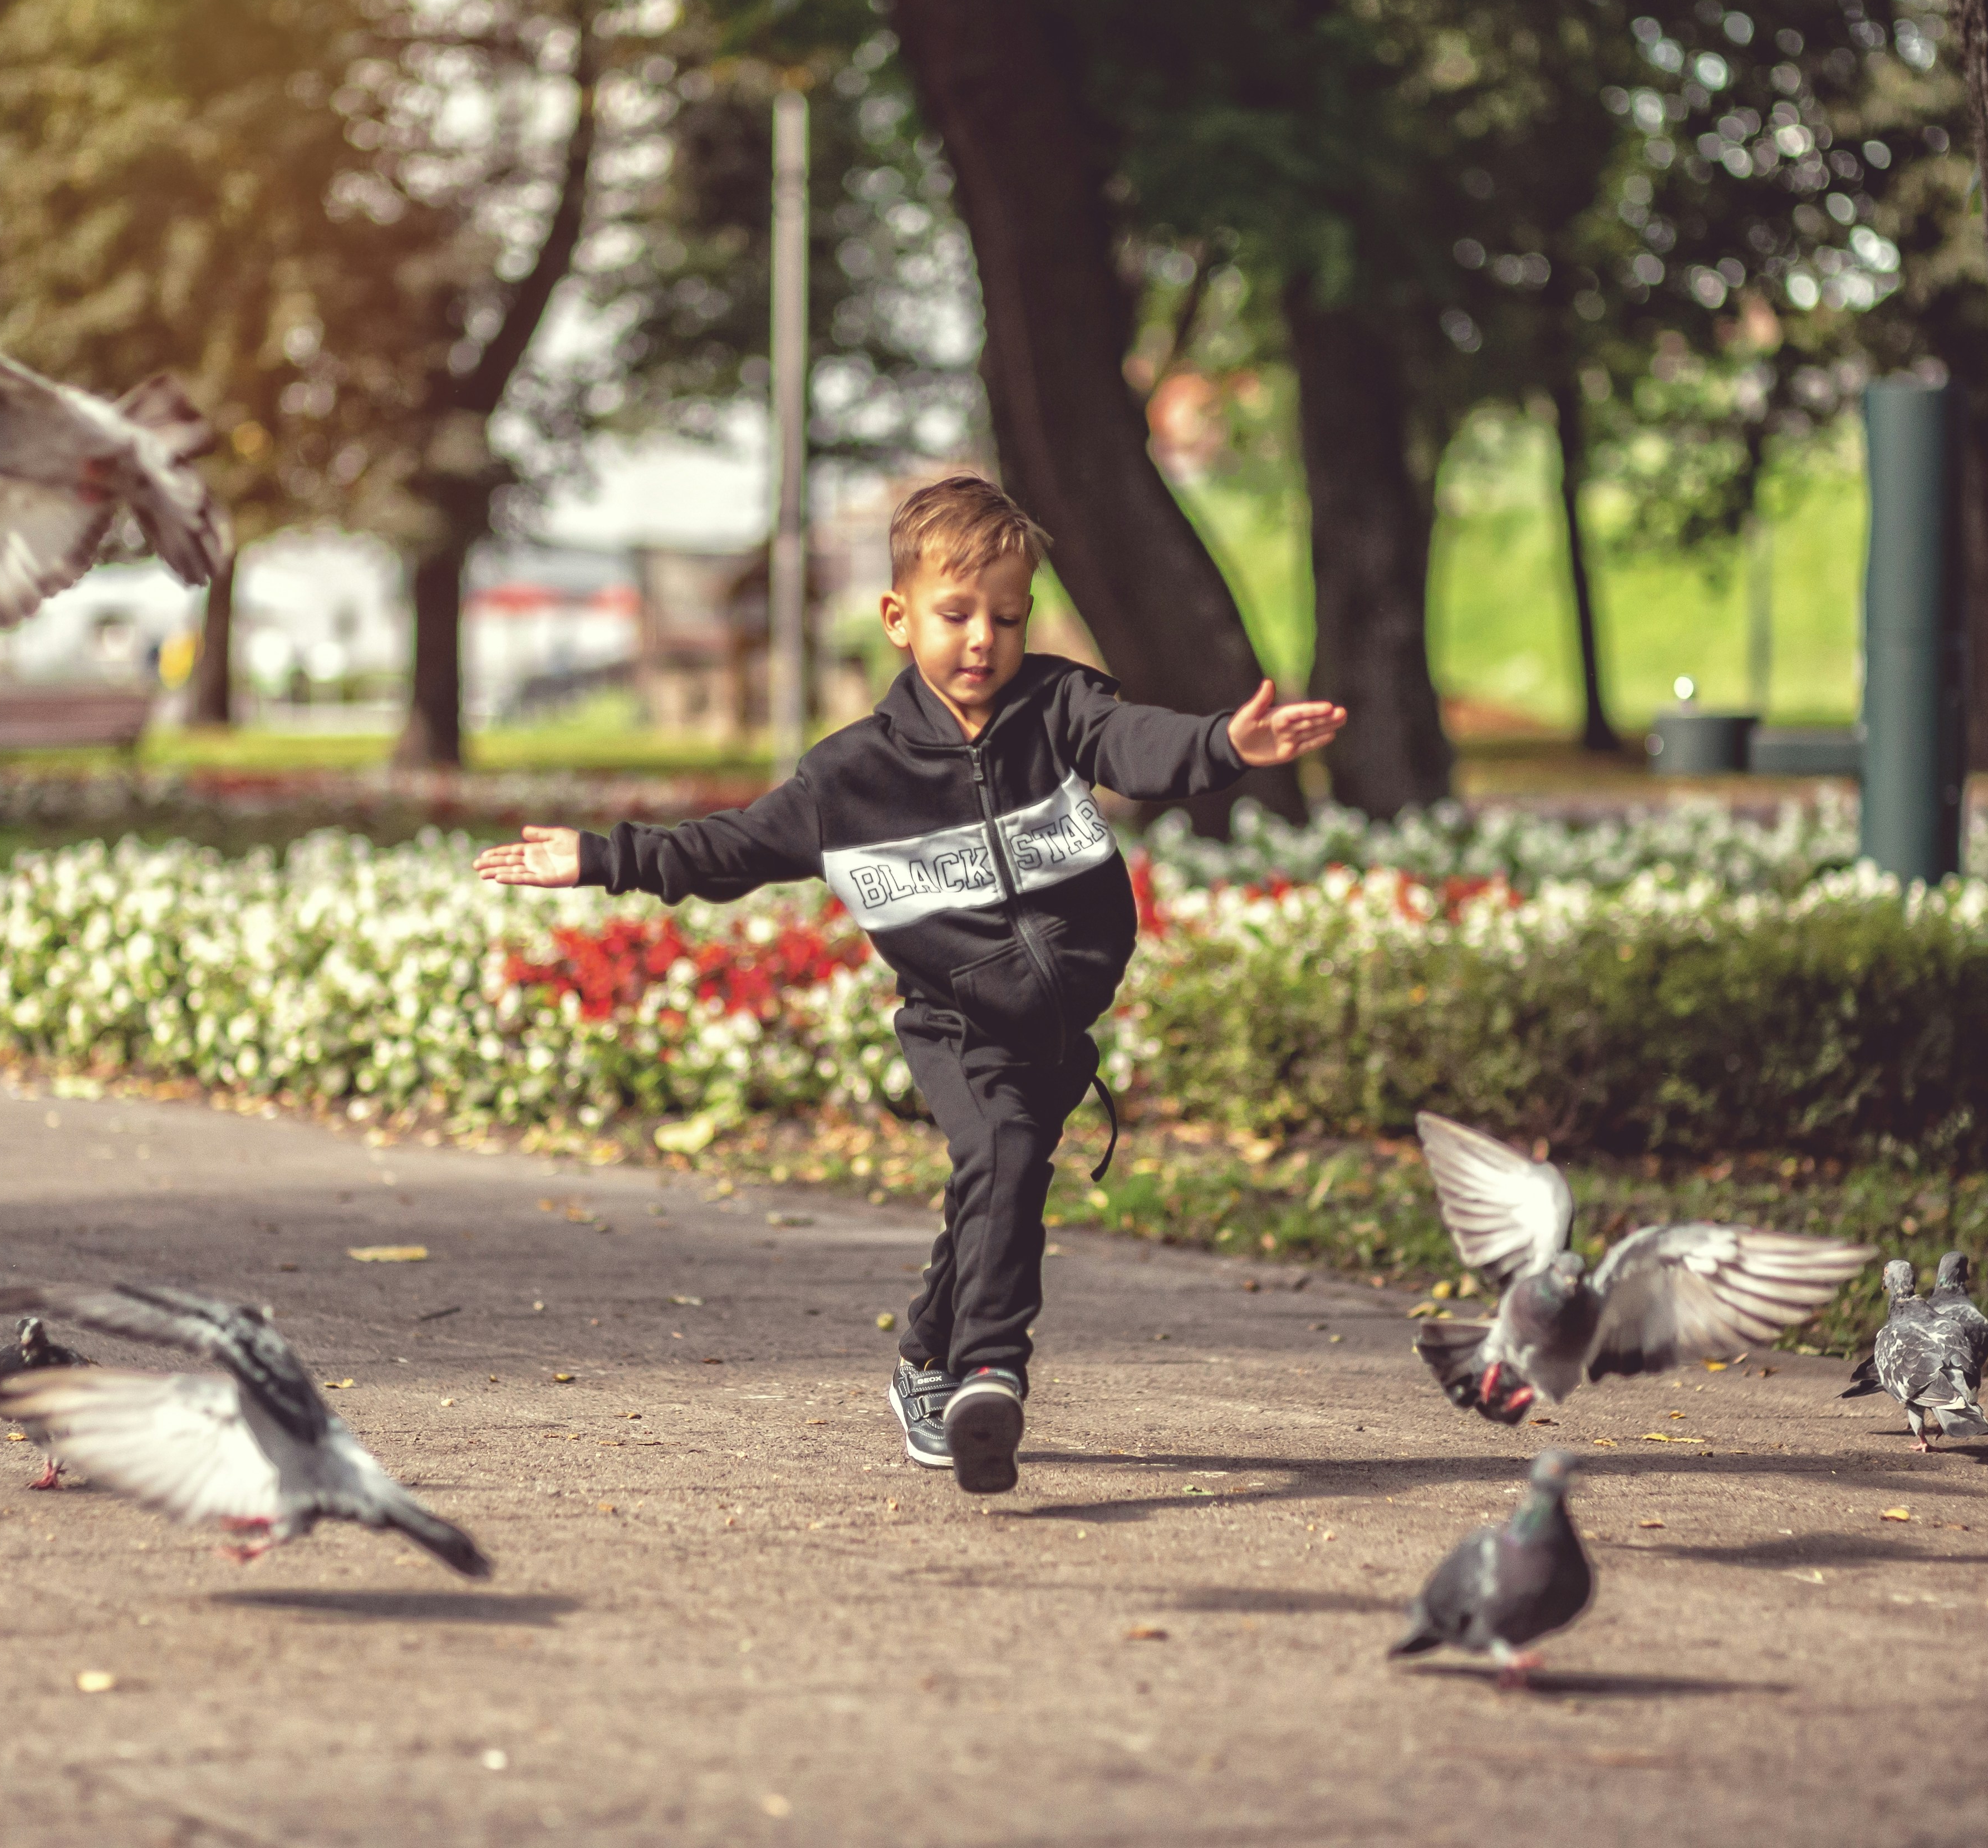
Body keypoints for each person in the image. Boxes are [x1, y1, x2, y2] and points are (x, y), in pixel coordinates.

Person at [473, 474, 1345, 1493]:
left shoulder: (1060, 708)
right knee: (1009, 1160)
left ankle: (924, 1358)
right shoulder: (851, 779)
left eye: (1008, 617)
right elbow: (730, 849)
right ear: (898, 618)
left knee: (989, 1186)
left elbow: (1133, 743)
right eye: (957, 614)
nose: (985, 639)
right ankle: (987, 1376)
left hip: (1058, 1028)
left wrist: (1222, 744)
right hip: (957, 1024)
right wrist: (600, 857)